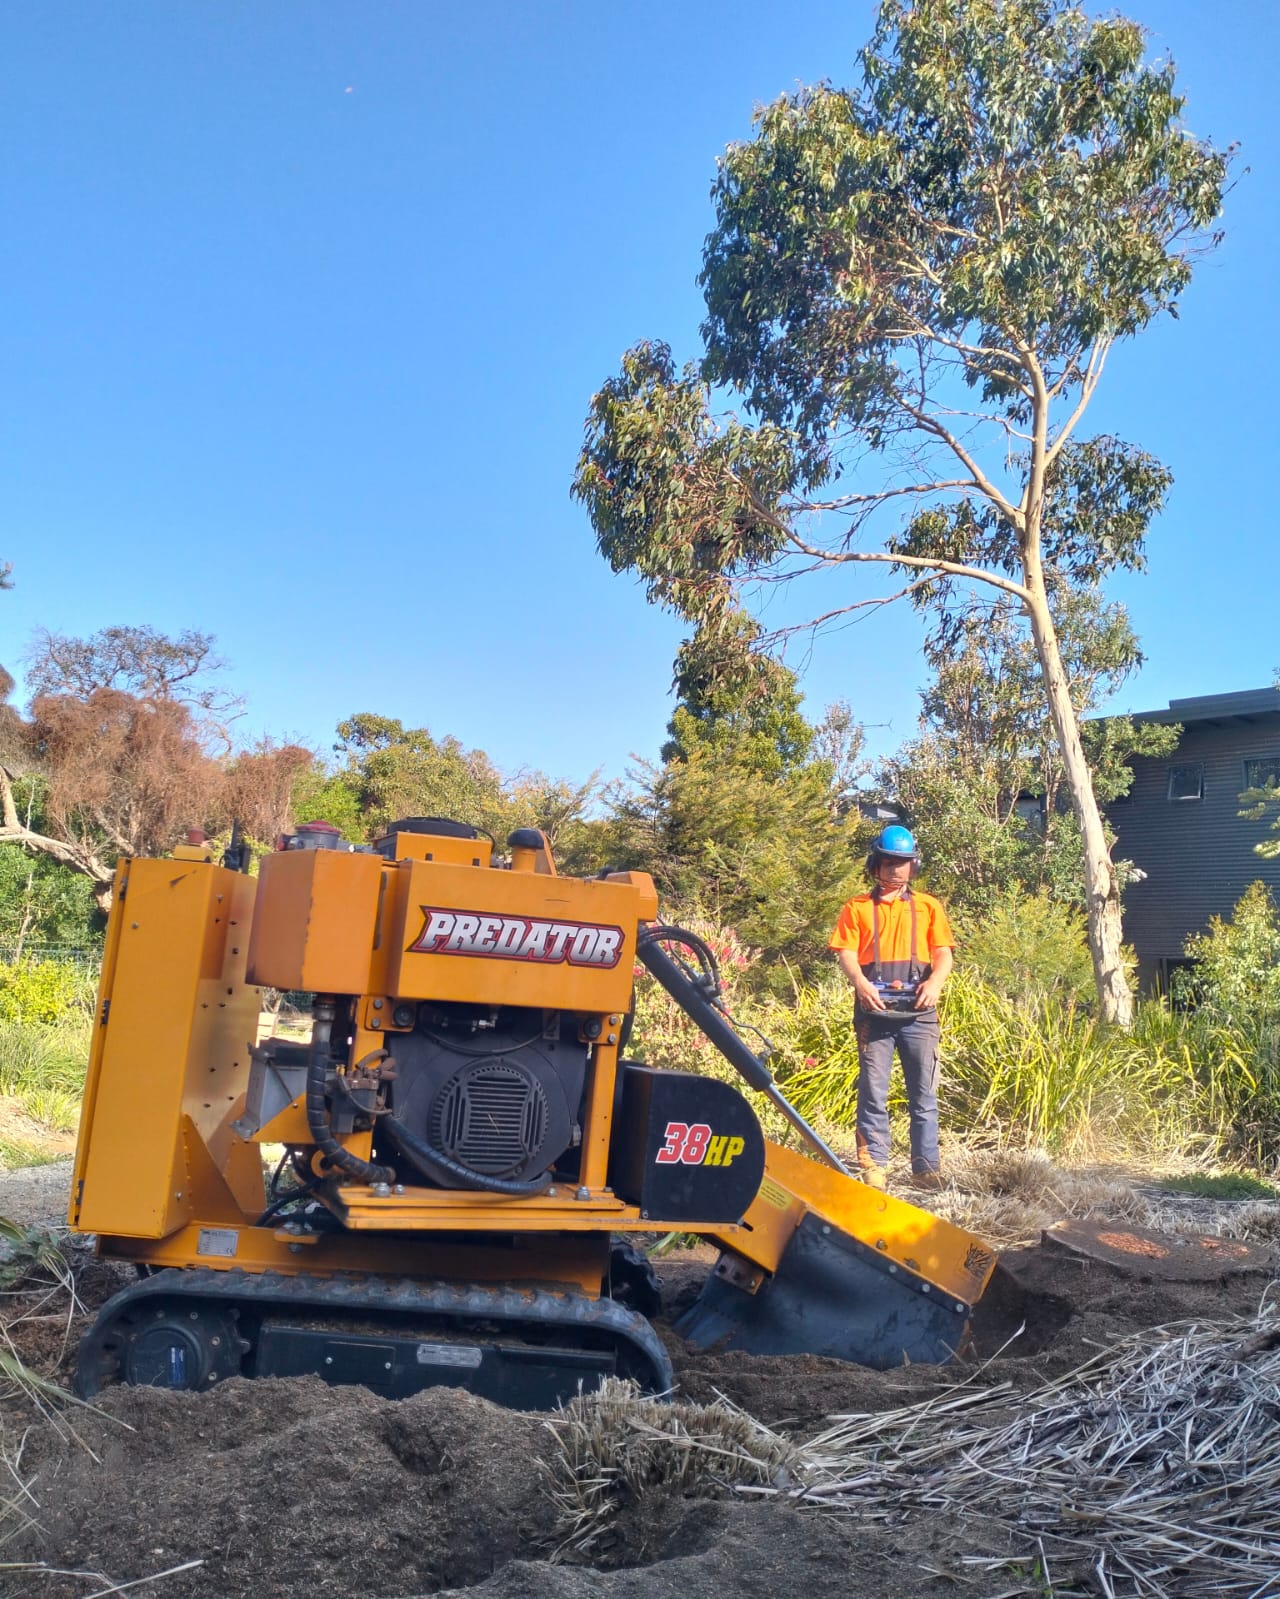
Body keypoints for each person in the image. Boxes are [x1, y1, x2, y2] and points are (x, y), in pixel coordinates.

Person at [828, 824, 955, 1191]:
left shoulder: (930, 907)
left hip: (920, 1014)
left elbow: (943, 954)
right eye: (888, 862)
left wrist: (934, 984)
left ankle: (926, 1169)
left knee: (924, 1093)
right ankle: (874, 1168)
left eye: (902, 863)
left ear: (913, 865)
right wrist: (861, 983)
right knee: (873, 1091)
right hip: (875, 1014)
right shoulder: (857, 908)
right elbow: (847, 953)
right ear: (876, 863)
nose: (896, 870)